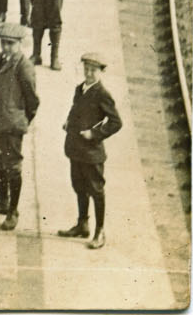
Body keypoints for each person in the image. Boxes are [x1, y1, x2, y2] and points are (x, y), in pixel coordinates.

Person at [58, 52, 122, 250]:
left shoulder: (103, 93)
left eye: (93, 70)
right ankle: (82, 224)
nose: (88, 73)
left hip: (92, 153)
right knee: (78, 186)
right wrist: (68, 121)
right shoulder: (80, 88)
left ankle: (99, 231)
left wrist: (94, 134)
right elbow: (75, 108)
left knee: (96, 190)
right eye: (86, 69)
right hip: (75, 148)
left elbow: (116, 122)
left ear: (100, 72)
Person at [0, 22, 41, 231]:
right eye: (3, 43)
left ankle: (12, 211)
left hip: (12, 125)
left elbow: (32, 100)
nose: (6, 47)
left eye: (10, 44)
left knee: (13, 167)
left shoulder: (24, 65)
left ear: (20, 44)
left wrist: (22, 120)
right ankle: (2, 200)